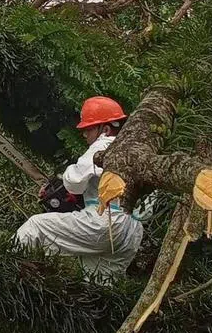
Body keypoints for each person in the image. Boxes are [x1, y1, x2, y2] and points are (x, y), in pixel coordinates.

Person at [15, 96, 143, 280]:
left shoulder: (104, 144)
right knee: (99, 280)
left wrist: (63, 177)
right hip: (132, 229)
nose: (84, 135)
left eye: (88, 130)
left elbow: (74, 183)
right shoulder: (134, 149)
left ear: (105, 129)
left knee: (36, 227)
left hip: (105, 223)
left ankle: (2, 266)